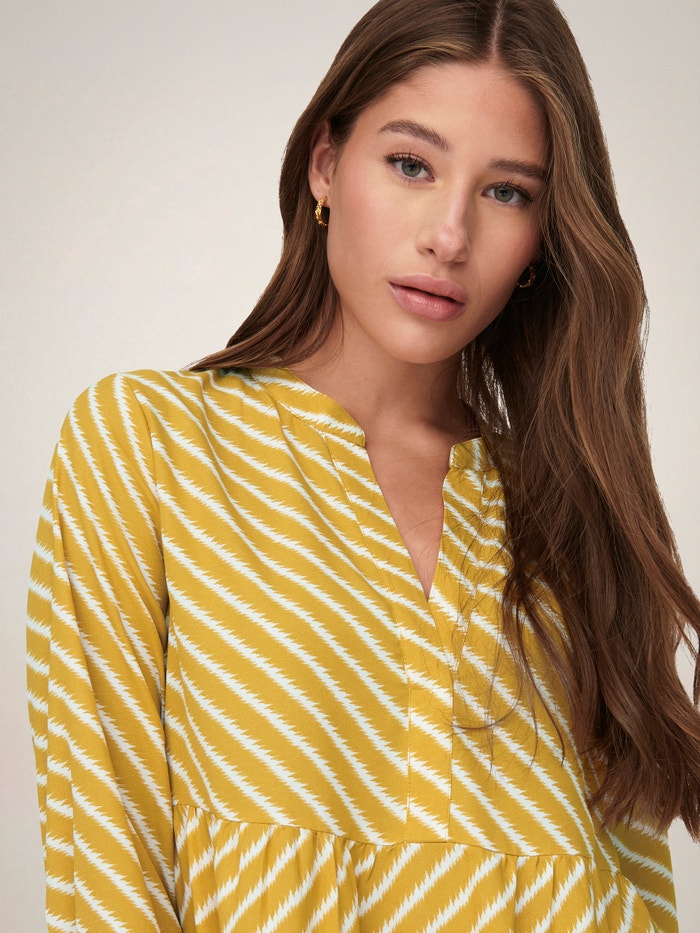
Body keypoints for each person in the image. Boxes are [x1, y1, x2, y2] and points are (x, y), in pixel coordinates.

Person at [26, 0, 700, 929]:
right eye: (412, 164)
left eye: (507, 192)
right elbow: (107, 864)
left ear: (543, 237)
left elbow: (640, 888)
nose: (449, 235)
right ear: (326, 164)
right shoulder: (146, 445)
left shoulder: (569, 510)